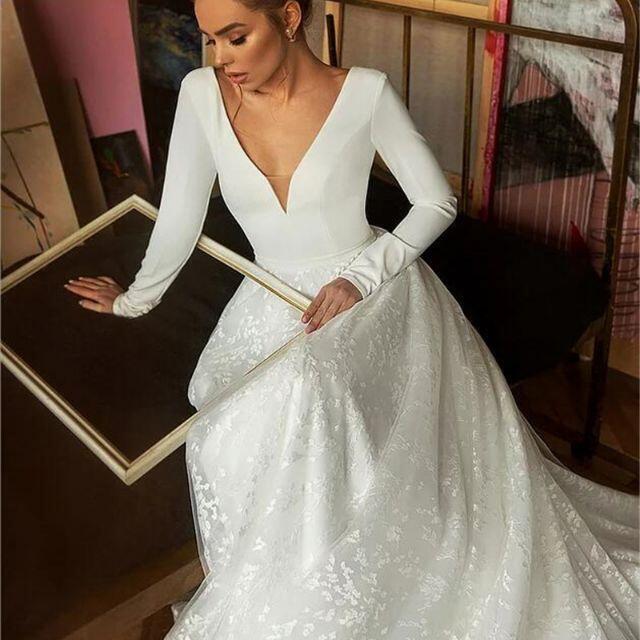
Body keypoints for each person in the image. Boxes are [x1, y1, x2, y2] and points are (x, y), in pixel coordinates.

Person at [63, 0, 639, 638]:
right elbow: (179, 214)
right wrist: (134, 299)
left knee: (308, 392)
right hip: (269, 290)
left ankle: (337, 591)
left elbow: (435, 200)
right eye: (210, 41)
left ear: (288, 17)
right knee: (222, 423)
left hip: (369, 288)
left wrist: (361, 278)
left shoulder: (365, 93)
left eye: (235, 37)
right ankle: (277, 581)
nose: (221, 58)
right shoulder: (201, 95)